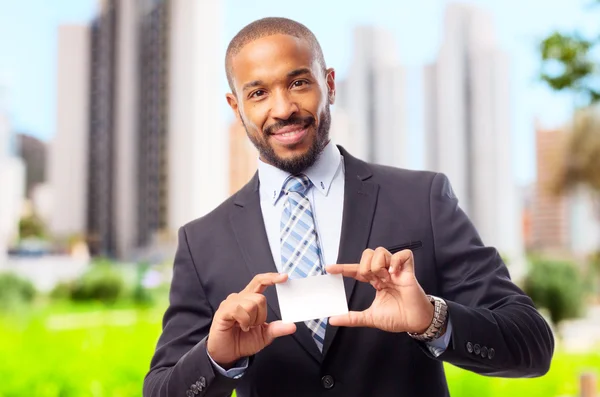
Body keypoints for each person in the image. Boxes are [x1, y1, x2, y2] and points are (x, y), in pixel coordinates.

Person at [143, 17, 554, 397]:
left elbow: (532, 345)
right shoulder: (202, 242)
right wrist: (216, 357)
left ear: (330, 84)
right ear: (237, 107)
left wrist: (433, 319)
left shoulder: (421, 198)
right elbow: (161, 387)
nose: (283, 108)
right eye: (258, 93)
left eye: (299, 83)